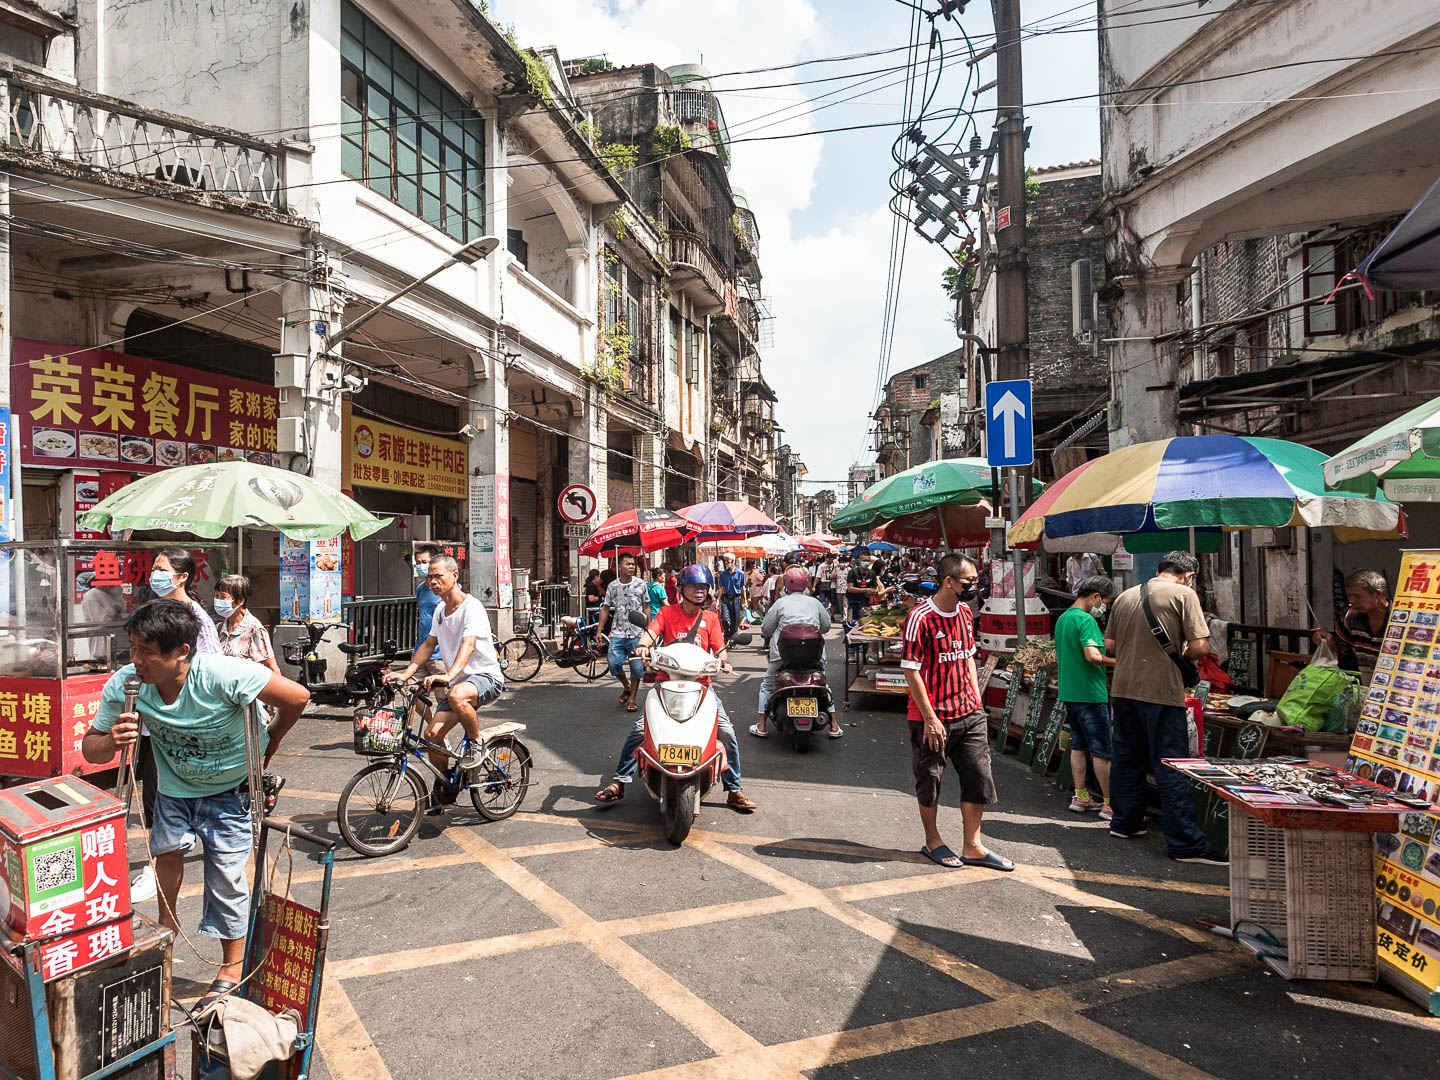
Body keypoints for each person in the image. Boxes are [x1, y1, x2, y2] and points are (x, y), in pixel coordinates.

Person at [83, 600, 311, 1007]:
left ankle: (232, 965)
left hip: (232, 787)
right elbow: (93, 751)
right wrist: (110, 740)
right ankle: (166, 930)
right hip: (175, 786)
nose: (136, 660)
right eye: (132, 648)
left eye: (146, 652)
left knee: (225, 874)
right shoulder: (127, 684)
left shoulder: (224, 675)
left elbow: (296, 696)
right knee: (165, 853)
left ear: (181, 653)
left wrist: (272, 740)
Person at [593, 564, 756, 810]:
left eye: (704, 587)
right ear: (681, 588)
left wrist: (724, 661)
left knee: (727, 732)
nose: (700, 592)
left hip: (701, 686)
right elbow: (650, 633)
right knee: (639, 729)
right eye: (694, 586)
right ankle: (620, 781)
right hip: (666, 683)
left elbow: (720, 648)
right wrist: (642, 646)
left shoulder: (711, 619)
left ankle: (734, 788)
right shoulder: (667, 614)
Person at [1104, 551, 1225, 864]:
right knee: (1171, 764)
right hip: (1160, 691)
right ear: (1188, 575)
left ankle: (1125, 823)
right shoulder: (1184, 594)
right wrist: (1179, 649)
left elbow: (1111, 646)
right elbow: (1200, 647)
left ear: (1159, 569)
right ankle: (1185, 844)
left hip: (1123, 689)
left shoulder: (1126, 595)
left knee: (1128, 759)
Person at [902, 554, 1013, 871]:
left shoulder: (965, 613)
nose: (974, 587)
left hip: (969, 712)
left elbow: (967, 656)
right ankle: (933, 840)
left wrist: (976, 699)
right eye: (969, 582)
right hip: (932, 718)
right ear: (948, 581)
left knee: (979, 777)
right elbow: (912, 671)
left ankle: (973, 846)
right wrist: (930, 718)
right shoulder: (920, 618)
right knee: (930, 780)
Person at [131, 549, 222, 902]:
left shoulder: (195, 616)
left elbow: (211, 671)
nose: (154, 574)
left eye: (161, 569)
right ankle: (157, 865)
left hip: (183, 727)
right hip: (153, 725)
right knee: (154, 797)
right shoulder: (149, 612)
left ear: (183, 576)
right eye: (153, 568)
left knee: (178, 798)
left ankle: (162, 866)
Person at [385, 555, 504, 811]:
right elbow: (429, 644)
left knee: (458, 694)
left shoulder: (472, 608)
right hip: (459, 684)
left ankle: (476, 743)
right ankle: (446, 782)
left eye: (438, 575)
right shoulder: (440, 610)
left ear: (454, 576)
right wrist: (407, 673)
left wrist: (449, 676)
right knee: (432, 735)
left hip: (486, 677)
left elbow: (468, 645)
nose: (433, 581)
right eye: (430, 576)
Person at [750, 567, 839, 738]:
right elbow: (826, 626)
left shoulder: (780, 603)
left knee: (768, 685)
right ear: (805, 584)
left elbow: (766, 629)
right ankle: (834, 725)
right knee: (822, 685)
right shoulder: (814, 602)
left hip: (782, 656)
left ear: (786, 586)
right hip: (814, 657)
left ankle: (761, 725)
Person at [1055, 575, 1117, 819]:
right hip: (1090, 694)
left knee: (1079, 746)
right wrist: (1122, 663)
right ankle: (1111, 804)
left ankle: (1080, 796)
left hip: (1070, 692)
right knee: (1102, 750)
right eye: (1106, 602)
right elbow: (1093, 656)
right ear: (1096, 597)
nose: (1104, 607)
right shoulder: (1086, 619)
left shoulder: (1063, 618)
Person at [597, 553, 649, 712]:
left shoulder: (641, 584)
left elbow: (646, 607)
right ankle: (626, 686)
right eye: (628, 564)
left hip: (636, 633)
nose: (632, 567)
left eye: (633, 564)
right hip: (617, 633)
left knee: (637, 668)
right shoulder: (612, 586)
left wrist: (649, 631)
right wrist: (599, 630)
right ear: (619, 567)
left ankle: (632, 698)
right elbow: (605, 608)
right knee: (614, 664)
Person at [1314, 568, 1390, 671]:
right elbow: (1341, 649)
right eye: (1349, 596)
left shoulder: (1400, 619)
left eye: (1357, 596)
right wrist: (1327, 639)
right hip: (1366, 684)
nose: (1351, 601)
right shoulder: (1352, 617)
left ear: (1377, 594)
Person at [214, 574, 282, 677]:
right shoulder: (219, 628)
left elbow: (272, 668)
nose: (218, 600)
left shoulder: (254, 630)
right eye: (216, 596)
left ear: (240, 600)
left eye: (223, 597)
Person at [412, 545, 445, 678]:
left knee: (443, 695)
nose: (421, 566)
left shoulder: (445, 590)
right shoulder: (420, 589)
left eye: (425, 562)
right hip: (420, 650)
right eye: (418, 563)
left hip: (439, 654)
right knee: (412, 692)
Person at [716, 554, 746, 643]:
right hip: (725, 599)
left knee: (735, 619)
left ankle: (733, 638)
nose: (725, 563)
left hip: (736, 598)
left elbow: (743, 588)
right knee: (725, 618)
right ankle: (727, 634)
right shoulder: (723, 574)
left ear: (733, 561)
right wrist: (718, 600)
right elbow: (721, 588)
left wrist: (745, 601)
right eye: (724, 561)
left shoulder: (740, 573)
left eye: (727, 561)